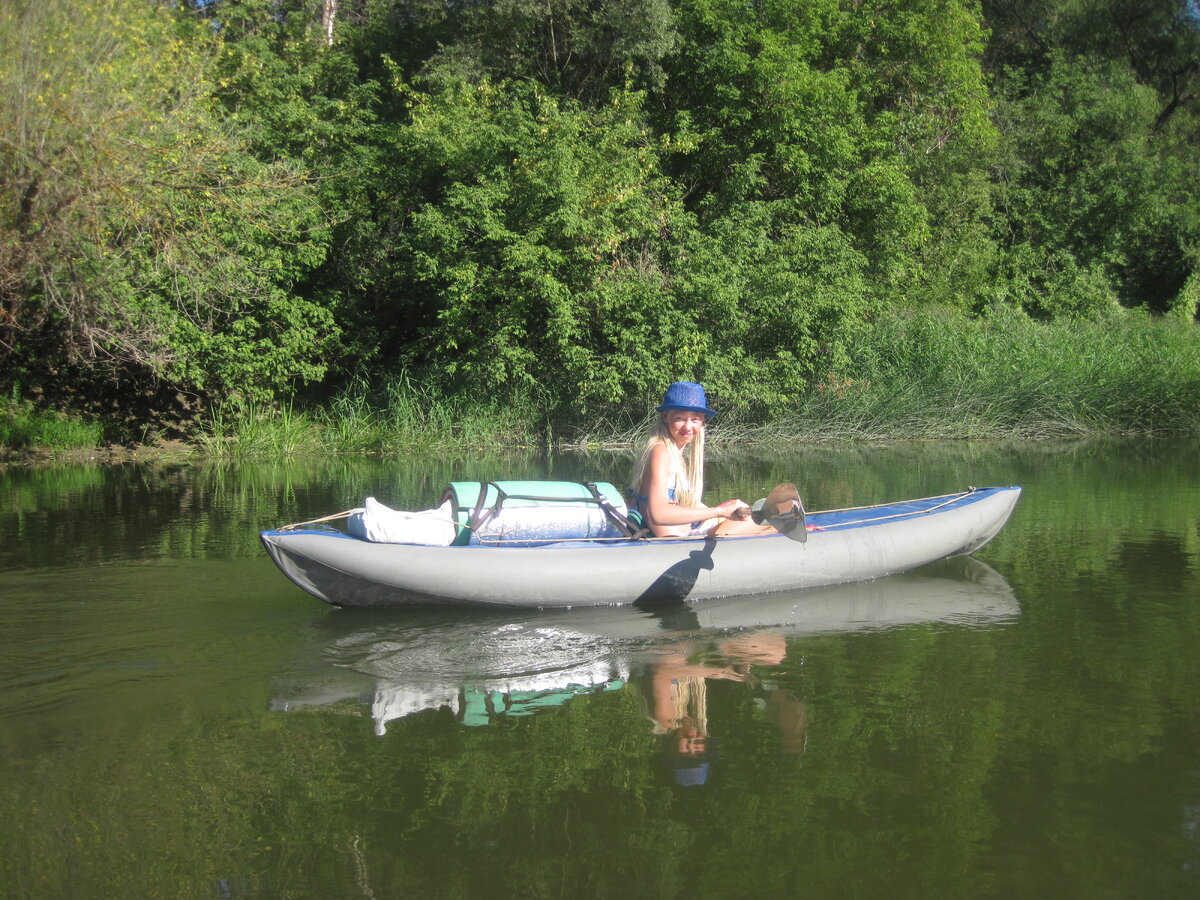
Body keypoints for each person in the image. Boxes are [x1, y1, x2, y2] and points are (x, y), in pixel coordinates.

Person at [630, 381, 774, 538]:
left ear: (703, 420)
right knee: (768, 524)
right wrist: (719, 512)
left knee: (753, 515)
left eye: (695, 419)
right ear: (665, 417)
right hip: (676, 540)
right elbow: (659, 515)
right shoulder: (661, 451)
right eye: (680, 418)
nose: (688, 426)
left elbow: (683, 505)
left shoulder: (673, 452)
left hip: (689, 532)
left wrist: (725, 511)